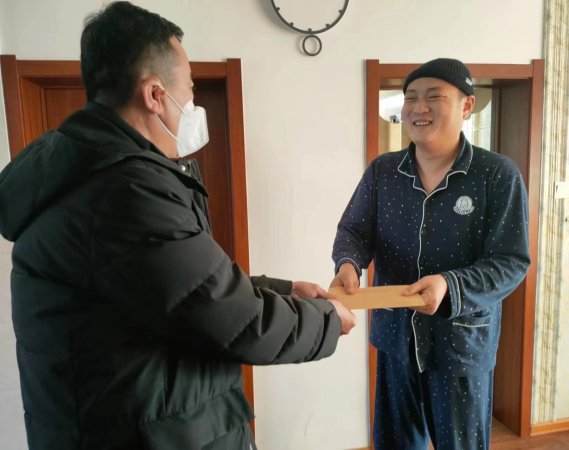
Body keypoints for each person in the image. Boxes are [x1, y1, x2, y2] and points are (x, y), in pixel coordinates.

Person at [0, 2, 356, 449]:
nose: (192, 103)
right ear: (154, 95)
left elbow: (179, 290)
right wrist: (326, 321)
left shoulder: (95, 174)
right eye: (189, 88)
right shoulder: (124, 189)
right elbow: (227, 317)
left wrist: (284, 291)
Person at [330, 58, 530, 450]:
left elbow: (510, 262)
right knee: (395, 443)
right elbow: (353, 230)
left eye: (434, 97)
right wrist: (348, 263)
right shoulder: (383, 171)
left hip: (461, 346)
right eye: (410, 98)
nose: (418, 108)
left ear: (467, 105)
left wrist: (449, 285)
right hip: (395, 340)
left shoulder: (496, 174)